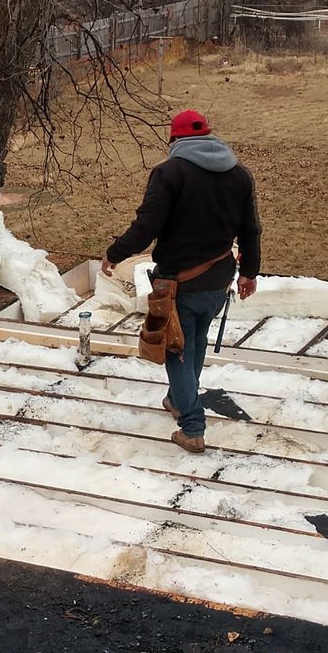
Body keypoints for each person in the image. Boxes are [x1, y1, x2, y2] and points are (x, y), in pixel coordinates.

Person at [102, 109, 260, 453]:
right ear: (209, 135)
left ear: (173, 140)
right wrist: (250, 272)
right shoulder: (239, 174)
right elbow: (250, 229)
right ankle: (177, 398)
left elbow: (147, 226)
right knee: (195, 342)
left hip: (179, 285)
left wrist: (115, 254)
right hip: (219, 280)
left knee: (177, 351)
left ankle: (192, 427)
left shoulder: (169, 173)